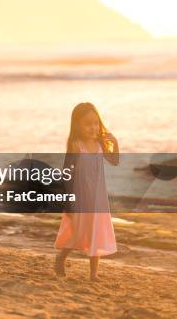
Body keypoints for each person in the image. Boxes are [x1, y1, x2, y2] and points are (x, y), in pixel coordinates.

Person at [54, 102, 119, 281]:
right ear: (77, 126)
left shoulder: (100, 144)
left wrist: (115, 143)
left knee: (96, 232)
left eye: (95, 123)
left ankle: (93, 274)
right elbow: (66, 173)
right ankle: (61, 258)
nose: (93, 128)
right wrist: (68, 200)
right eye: (87, 124)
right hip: (80, 196)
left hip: (97, 197)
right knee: (77, 232)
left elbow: (115, 161)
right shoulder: (76, 145)